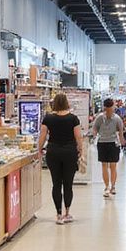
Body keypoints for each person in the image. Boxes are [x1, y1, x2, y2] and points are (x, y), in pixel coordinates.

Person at [38, 92, 83, 224]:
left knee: (56, 183)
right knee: (68, 184)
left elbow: (42, 136)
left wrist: (39, 149)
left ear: (55, 104)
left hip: (53, 152)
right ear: (66, 103)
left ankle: (58, 214)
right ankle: (67, 213)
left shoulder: (48, 119)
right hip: (70, 152)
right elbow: (78, 137)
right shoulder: (73, 118)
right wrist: (81, 150)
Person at [92, 97, 124, 196]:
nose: (109, 111)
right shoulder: (100, 118)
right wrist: (94, 135)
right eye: (107, 109)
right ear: (104, 108)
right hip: (102, 143)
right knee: (104, 165)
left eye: (111, 109)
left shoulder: (117, 118)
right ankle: (106, 186)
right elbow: (95, 128)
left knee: (113, 166)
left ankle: (113, 186)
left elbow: (121, 131)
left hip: (113, 143)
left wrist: (122, 140)